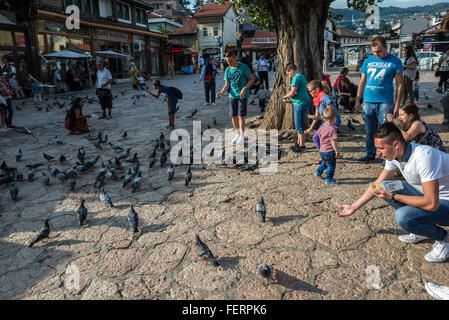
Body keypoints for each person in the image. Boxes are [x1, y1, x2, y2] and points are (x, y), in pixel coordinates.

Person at [339, 122, 449, 263]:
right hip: (431, 197)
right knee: (385, 186)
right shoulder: (395, 155)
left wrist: (393, 196)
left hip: (444, 201)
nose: (378, 153)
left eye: (381, 148)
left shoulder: (424, 157)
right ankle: (421, 229)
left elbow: (431, 204)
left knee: (403, 217)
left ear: (395, 144)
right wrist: (354, 206)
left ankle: (444, 238)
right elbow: (378, 184)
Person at [355, 36, 404, 162]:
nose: (376, 54)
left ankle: (386, 158)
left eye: (379, 51)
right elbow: (362, 82)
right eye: (374, 51)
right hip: (368, 101)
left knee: (385, 132)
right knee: (369, 131)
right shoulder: (368, 61)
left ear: (386, 47)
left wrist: (397, 105)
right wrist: (357, 100)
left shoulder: (395, 61)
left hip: (385, 102)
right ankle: (370, 153)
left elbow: (400, 84)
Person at [216, 50, 254, 145]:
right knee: (233, 115)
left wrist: (245, 88)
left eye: (230, 61)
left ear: (235, 58)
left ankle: (241, 135)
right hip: (232, 96)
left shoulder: (243, 67)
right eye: (227, 61)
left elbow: (251, 79)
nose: (229, 63)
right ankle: (236, 133)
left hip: (242, 95)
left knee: (241, 115)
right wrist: (221, 93)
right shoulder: (228, 70)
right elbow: (227, 84)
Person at [305, 80, 342, 163]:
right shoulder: (316, 99)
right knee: (316, 137)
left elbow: (331, 112)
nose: (309, 93)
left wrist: (321, 117)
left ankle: (326, 156)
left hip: (332, 121)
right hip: (326, 122)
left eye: (310, 91)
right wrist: (310, 128)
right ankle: (326, 155)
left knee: (320, 138)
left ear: (317, 89)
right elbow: (316, 116)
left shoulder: (325, 98)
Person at [283, 63, 311, 153]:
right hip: (303, 102)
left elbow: (292, 92)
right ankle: (299, 143)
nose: (289, 77)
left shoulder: (296, 78)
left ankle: (302, 146)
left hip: (300, 104)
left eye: (289, 75)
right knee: (300, 124)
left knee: (299, 126)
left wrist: (285, 96)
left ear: (291, 71)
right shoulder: (301, 76)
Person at [314, 107, 341, 184]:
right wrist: (337, 151)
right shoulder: (332, 129)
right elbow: (333, 141)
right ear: (334, 118)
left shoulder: (322, 127)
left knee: (325, 163)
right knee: (331, 166)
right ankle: (329, 179)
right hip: (330, 151)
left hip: (322, 151)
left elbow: (318, 135)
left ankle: (318, 172)